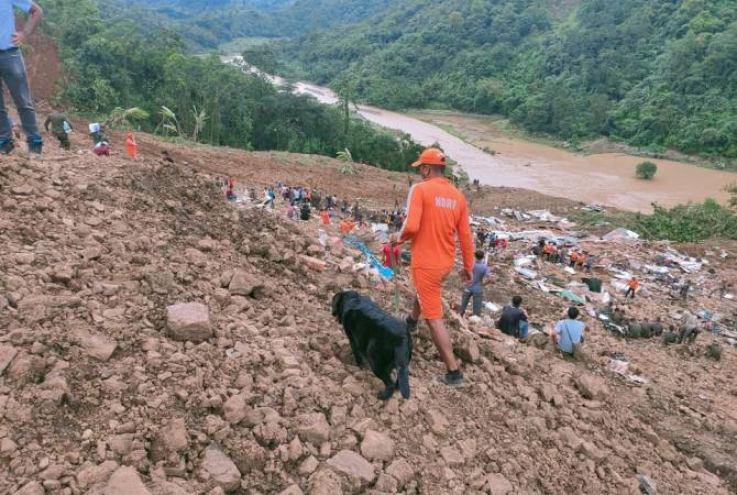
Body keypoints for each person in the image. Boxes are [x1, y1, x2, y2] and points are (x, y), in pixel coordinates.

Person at [400, 148, 474, 387]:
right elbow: (465, 235)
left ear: (426, 169)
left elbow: (411, 226)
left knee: (434, 318)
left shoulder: (420, 189)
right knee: (426, 293)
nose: (420, 173)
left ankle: (453, 371)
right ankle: (411, 322)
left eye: (421, 168)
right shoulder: (458, 196)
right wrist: (469, 266)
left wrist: (396, 238)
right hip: (444, 263)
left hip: (425, 263)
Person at [0, 0, 43, 155]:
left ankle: (35, 144)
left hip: (10, 54)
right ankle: (4, 143)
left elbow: (37, 11)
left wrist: (24, 33)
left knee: (23, 101)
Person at [460, 250, 491, 318]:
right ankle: (475, 322)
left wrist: (464, 281)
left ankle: (459, 317)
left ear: (475, 256)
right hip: (478, 288)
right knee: (477, 308)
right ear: (483, 257)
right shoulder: (485, 267)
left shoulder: (470, 264)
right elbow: (490, 279)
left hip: (468, 287)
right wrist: (483, 284)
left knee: (463, 305)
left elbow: (461, 272)